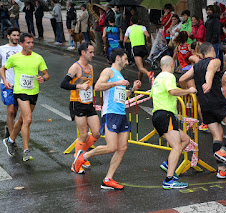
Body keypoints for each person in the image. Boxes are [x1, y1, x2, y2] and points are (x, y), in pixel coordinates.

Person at [73, 49, 141, 190]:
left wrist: (132, 90)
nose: (128, 62)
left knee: (122, 148)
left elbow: (120, 95)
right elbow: (97, 86)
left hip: (121, 114)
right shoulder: (108, 71)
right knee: (112, 147)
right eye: (126, 58)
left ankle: (108, 179)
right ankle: (83, 156)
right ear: (118, 58)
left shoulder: (119, 75)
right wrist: (117, 83)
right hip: (111, 114)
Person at [179, 42, 226, 179]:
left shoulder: (196, 66)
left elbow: (182, 78)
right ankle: (223, 151)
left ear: (201, 54)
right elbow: (210, 70)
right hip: (216, 102)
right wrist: (208, 83)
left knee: (217, 136)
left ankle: (221, 170)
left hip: (204, 105)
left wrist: (188, 91)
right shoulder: (215, 61)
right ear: (212, 50)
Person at [0, 33, 50, 161]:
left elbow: (46, 74)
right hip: (20, 91)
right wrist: (5, 81)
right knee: (28, 120)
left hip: (33, 92)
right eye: (28, 43)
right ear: (21, 44)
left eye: (32, 42)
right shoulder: (14, 58)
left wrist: (43, 78)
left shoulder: (38, 58)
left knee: (22, 120)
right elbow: (2, 69)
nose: (31, 45)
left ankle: (10, 140)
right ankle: (26, 150)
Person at [151, 55, 196, 189]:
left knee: (185, 139)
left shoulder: (158, 78)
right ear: (172, 64)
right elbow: (172, 91)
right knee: (176, 146)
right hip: (165, 115)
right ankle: (169, 180)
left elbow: (153, 95)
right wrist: (189, 91)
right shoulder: (169, 76)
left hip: (159, 114)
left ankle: (167, 164)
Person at [60, 42, 100, 174]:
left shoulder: (91, 67)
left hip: (88, 103)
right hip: (77, 103)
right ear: (83, 52)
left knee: (96, 133)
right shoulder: (75, 68)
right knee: (83, 134)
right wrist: (79, 86)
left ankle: (81, 155)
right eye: (91, 52)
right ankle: (77, 163)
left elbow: (90, 84)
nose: (93, 55)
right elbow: (64, 84)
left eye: (93, 52)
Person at [0, 27, 22, 146]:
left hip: (19, 85)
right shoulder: (2, 49)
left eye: (18, 35)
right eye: (14, 35)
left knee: (14, 111)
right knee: (10, 111)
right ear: (8, 36)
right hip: (6, 83)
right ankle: (11, 136)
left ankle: (9, 128)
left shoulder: (22, 49)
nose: (16, 37)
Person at [124, 16, 153, 82]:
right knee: (141, 67)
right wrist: (148, 42)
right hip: (143, 47)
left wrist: (132, 40)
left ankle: (149, 74)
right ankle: (139, 81)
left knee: (140, 67)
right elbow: (148, 35)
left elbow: (125, 40)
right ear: (138, 21)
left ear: (131, 22)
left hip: (135, 48)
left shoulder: (129, 28)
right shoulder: (142, 27)